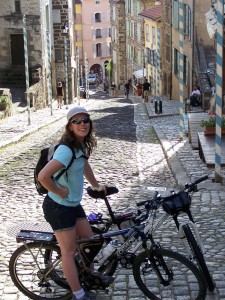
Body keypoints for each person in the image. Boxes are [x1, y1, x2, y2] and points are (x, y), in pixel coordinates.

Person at [38, 106, 113, 300]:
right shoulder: (65, 150)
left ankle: (87, 278)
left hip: (72, 204)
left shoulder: (80, 146)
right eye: (76, 121)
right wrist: (59, 191)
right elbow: (43, 176)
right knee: (69, 251)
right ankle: (78, 294)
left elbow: (84, 165)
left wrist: (96, 186)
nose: (82, 124)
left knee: (89, 243)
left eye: (85, 120)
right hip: (58, 207)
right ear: (69, 126)